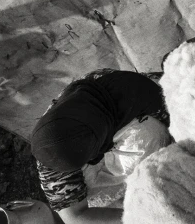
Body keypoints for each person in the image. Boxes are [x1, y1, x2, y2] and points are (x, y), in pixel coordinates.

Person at [30, 69, 171, 224]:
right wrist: (139, 218)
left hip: (148, 119)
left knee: (145, 148)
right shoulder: (49, 138)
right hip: (104, 129)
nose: (91, 160)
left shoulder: (142, 115)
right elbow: (74, 218)